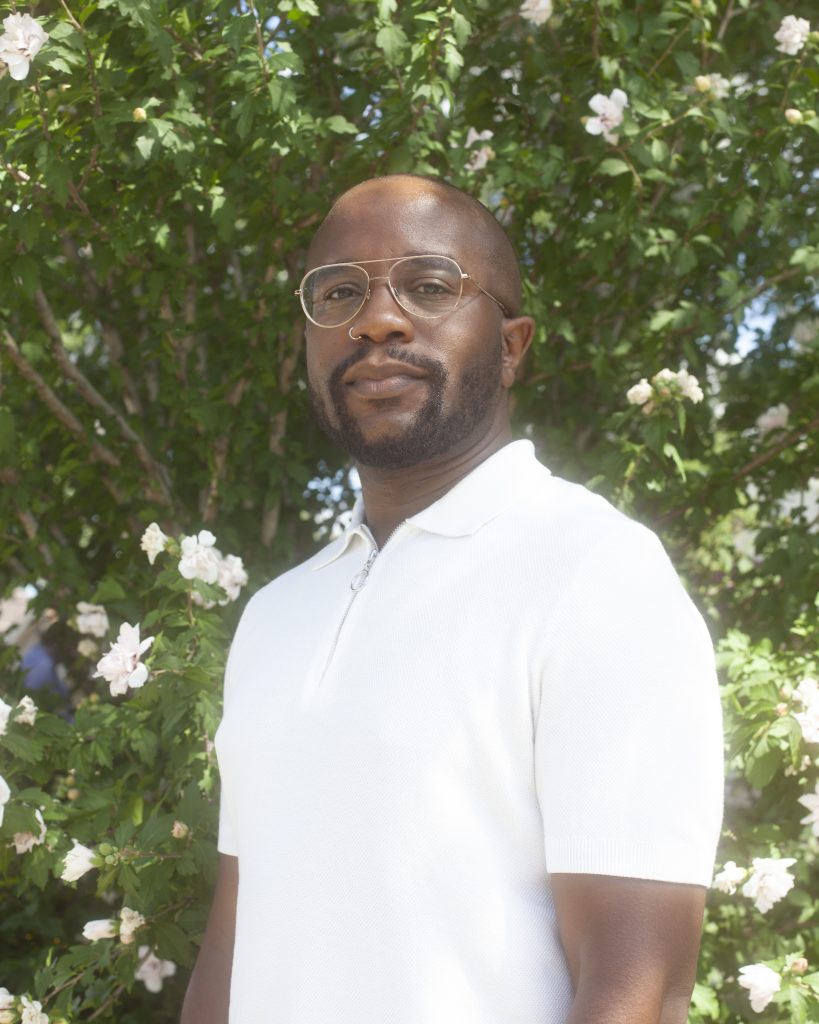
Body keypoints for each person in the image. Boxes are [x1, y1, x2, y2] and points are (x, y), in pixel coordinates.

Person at [181, 174, 724, 1024]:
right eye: (338, 293)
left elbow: (637, 987)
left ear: (511, 346)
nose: (376, 320)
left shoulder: (595, 574)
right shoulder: (276, 616)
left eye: (429, 287)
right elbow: (236, 940)